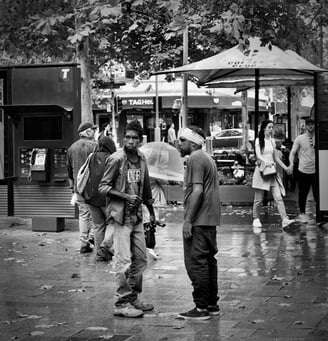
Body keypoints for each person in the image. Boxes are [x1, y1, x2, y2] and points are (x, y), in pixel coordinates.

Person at [98, 120, 156, 318]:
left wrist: (152, 211)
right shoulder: (116, 159)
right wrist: (125, 196)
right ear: (124, 138)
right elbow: (103, 187)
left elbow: (146, 186)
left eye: (135, 138)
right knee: (123, 262)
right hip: (120, 217)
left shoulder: (141, 158)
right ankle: (121, 303)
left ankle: (133, 297)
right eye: (128, 137)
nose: (131, 141)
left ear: (140, 140)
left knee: (140, 260)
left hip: (137, 217)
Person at [177, 126, 221, 320]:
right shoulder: (208, 158)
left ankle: (201, 307)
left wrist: (188, 220)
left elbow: (198, 191)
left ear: (193, 142)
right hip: (209, 219)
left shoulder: (195, 158)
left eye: (182, 140)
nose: (179, 143)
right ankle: (212, 304)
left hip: (199, 220)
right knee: (209, 262)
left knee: (196, 263)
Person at [252, 119, 295, 232]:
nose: (271, 130)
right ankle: (256, 218)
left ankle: (284, 219)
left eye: (272, 127)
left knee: (278, 197)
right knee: (259, 199)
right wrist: (265, 162)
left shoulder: (272, 141)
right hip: (262, 172)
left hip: (271, 172)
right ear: (264, 128)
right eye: (269, 127)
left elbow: (276, 158)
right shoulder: (258, 140)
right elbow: (258, 154)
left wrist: (286, 168)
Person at [83, 136, 116, 262]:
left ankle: (99, 254)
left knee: (98, 226)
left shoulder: (91, 157)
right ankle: (104, 247)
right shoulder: (112, 158)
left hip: (91, 197)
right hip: (107, 197)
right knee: (113, 222)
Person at [67, 121, 98, 253]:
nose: (95, 132)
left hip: (78, 187)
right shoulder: (95, 146)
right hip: (93, 186)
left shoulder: (72, 148)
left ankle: (84, 243)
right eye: (93, 130)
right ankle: (93, 238)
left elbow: (69, 170)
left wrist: (72, 187)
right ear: (88, 132)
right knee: (96, 214)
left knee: (83, 215)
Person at [288, 118, 317, 223]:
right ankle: (302, 213)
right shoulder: (300, 138)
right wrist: (291, 164)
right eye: (308, 124)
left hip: (316, 171)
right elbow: (292, 152)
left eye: (312, 124)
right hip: (303, 170)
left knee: (318, 194)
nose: (310, 126)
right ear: (305, 126)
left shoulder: (318, 137)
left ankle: (321, 216)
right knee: (302, 193)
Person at [142, 178, 167, 260]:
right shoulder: (154, 174)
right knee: (150, 223)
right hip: (153, 200)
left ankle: (148, 246)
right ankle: (149, 246)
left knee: (148, 221)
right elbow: (164, 181)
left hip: (149, 200)